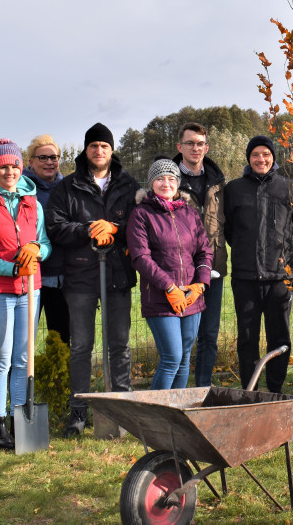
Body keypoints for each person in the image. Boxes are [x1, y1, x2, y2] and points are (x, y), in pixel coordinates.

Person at [46, 122, 140, 437]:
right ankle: (78, 413)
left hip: (117, 272)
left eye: (104, 146)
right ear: (86, 151)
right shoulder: (68, 187)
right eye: (93, 146)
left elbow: (140, 222)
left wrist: (116, 228)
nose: (99, 151)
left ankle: (121, 408)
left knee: (119, 344)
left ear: (112, 151)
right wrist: (87, 229)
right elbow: (55, 227)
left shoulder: (128, 185)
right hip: (81, 274)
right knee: (81, 346)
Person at [0, 139, 52, 449]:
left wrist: (36, 250)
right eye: (2, 166)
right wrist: (12, 269)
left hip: (30, 292)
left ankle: (21, 419)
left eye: (14, 165)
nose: (9, 171)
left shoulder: (33, 204)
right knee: (2, 359)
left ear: (21, 168)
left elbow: (45, 243)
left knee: (22, 359)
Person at [223, 136, 293, 392]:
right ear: (248, 158)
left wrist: (284, 259)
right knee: (247, 337)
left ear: (273, 157)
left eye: (266, 154)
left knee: (279, 337)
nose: (261, 159)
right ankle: (250, 388)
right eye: (256, 154)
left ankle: (275, 388)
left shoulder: (290, 188)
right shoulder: (234, 189)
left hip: (280, 278)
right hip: (245, 278)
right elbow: (229, 231)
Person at [126, 158, 212, 389]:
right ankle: (154, 420)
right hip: (161, 297)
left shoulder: (190, 214)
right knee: (172, 357)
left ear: (178, 183)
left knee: (184, 359)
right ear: (151, 183)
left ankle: (176, 416)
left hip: (191, 297)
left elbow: (205, 251)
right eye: (160, 179)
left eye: (171, 179)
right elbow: (140, 257)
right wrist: (170, 287)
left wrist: (200, 285)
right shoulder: (142, 214)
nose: (166, 183)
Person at [172, 122, 227, 388]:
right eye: (190, 143)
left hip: (213, 269)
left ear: (206, 147)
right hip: (181, 272)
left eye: (200, 143)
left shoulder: (218, 182)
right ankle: (178, 392)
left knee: (209, 335)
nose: (196, 148)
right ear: (179, 147)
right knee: (183, 338)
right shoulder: (169, 181)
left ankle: (203, 388)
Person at [23, 134, 69, 345]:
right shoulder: (21, 189)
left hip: (61, 276)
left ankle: (58, 376)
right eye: (43, 158)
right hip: (29, 273)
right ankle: (20, 378)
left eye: (54, 157)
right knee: (22, 339)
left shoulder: (69, 189)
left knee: (60, 338)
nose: (49, 162)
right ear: (31, 161)